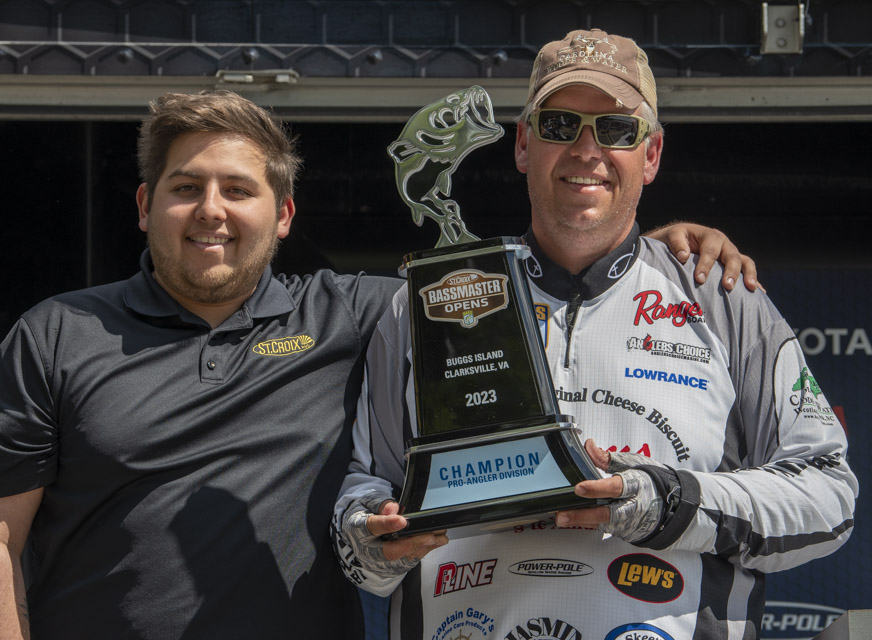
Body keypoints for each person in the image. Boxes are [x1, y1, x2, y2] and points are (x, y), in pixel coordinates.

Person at [0, 89, 754, 640]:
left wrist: (648, 251)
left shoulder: (358, 315)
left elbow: (505, 286)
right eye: (185, 187)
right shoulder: (58, 335)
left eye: (238, 190)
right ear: (144, 205)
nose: (211, 211)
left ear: (283, 214)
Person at [332, 29, 858, 640]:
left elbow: (828, 496)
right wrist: (372, 540)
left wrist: (664, 502)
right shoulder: (427, 303)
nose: (587, 150)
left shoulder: (724, 301)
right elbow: (363, 491)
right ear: (523, 145)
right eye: (560, 126)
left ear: (651, 154)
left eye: (615, 129)